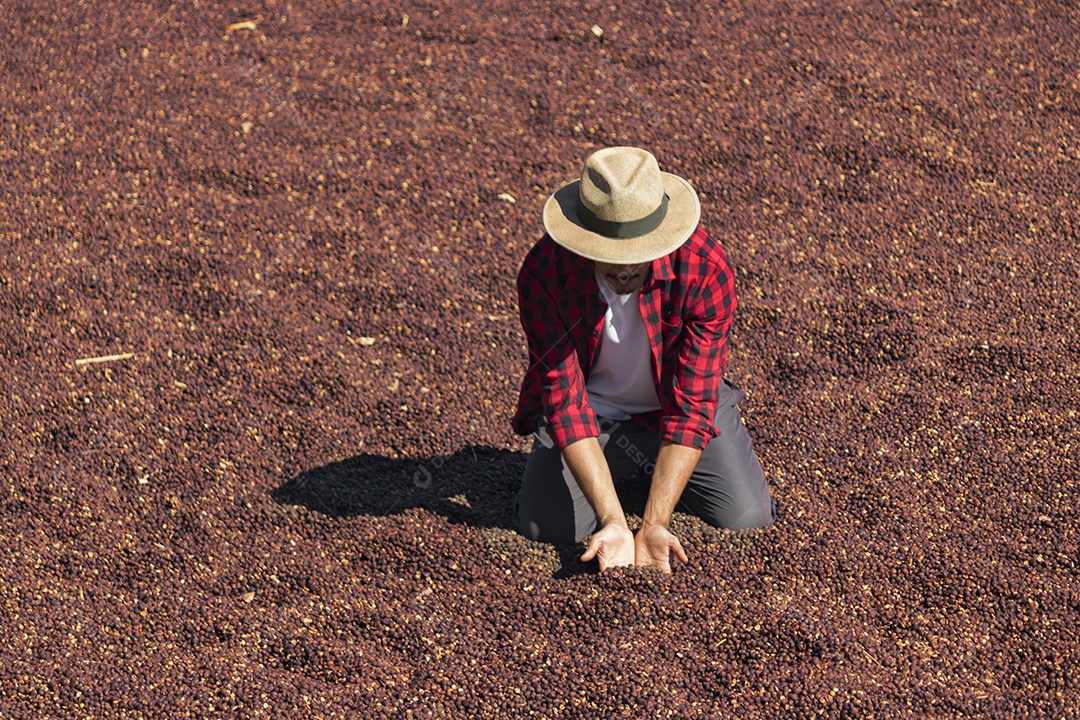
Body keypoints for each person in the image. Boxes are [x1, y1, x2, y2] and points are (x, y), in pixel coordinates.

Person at [512, 146, 775, 573]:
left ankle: (656, 478)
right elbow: (564, 403)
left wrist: (655, 523)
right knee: (544, 528)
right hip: (592, 416)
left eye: (639, 250)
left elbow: (693, 405)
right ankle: (621, 484)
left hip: (674, 405)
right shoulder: (545, 272)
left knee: (748, 518)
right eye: (613, 253)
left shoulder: (705, 269)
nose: (626, 267)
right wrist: (614, 522)